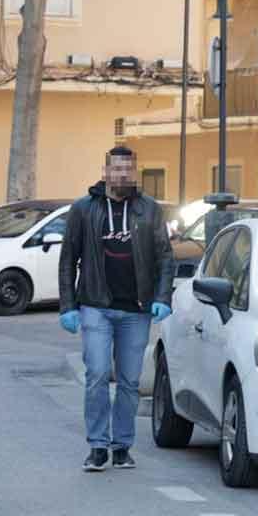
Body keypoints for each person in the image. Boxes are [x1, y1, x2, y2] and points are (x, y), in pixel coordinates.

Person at [59, 146, 175, 473]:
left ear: (134, 173)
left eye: (128, 169)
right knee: (96, 375)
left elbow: (165, 258)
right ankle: (97, 446)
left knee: (128, 381)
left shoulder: (149, 210)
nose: (122, 175)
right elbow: (68, 258)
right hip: (95, 305)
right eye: (117, 169)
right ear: (106, 171)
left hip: (136, 310)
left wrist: (162, 298)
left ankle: (122, 446)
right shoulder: (84, 209)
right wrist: (68, 306)